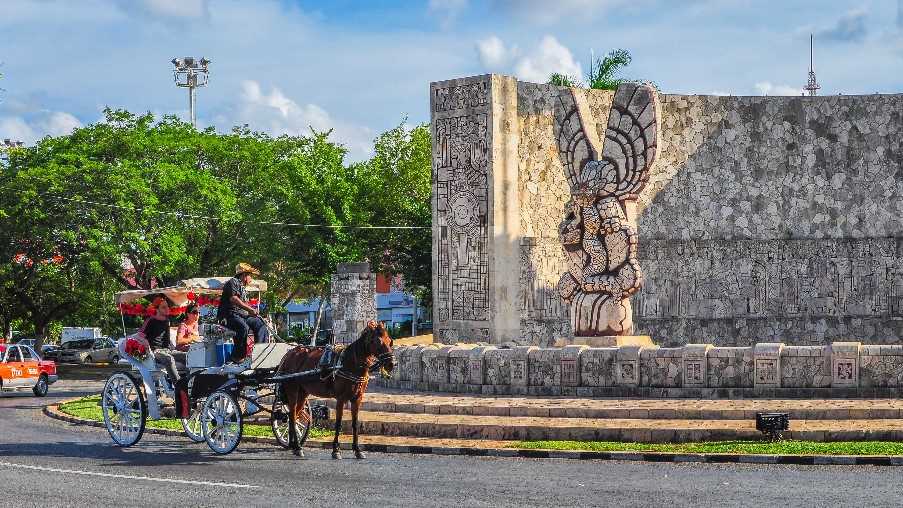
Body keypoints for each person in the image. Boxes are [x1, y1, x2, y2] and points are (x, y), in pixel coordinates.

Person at [217, 262, 269, 365]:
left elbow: (244, 307)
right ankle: (238, 357)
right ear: (244, 275)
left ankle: (260, 353)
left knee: (260, 324)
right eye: (250, 276)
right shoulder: (232, 282)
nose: (251, 279)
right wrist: (250, 310)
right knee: (242, 327)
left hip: (242, 315)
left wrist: (252, 313)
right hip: (228, 316)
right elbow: (234, 299)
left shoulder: (243, 288)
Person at [136, 296, 180, 383]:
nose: (167, 309)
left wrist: (173, 348)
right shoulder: (151, 321)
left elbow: (167, 339)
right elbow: (139, 336)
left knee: (187, 356)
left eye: (167, 306)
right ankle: (179, 386)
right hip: (155, 351)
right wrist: (145, 342)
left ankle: (190, 384)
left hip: (167, 350)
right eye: (164, 307)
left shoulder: (167, 321)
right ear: (157, 309)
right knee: (168, 359)